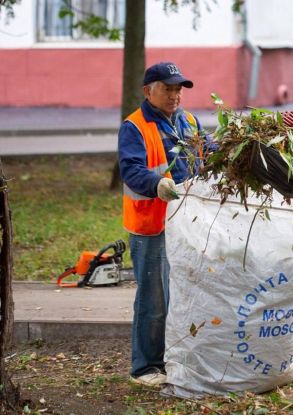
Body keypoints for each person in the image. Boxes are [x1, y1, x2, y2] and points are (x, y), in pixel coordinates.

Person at [118, 62, 209, 387]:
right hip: (151, 226)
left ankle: (173, 359)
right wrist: (156, 183)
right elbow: (130, 169)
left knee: (182, 295)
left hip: (186, 225)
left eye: (178, 89)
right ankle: (144, 367)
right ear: (148, 91)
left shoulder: (189, 121)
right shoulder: (135, 126)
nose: (175, 95)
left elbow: (206, 152)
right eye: (168, 89)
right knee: (153, 300)